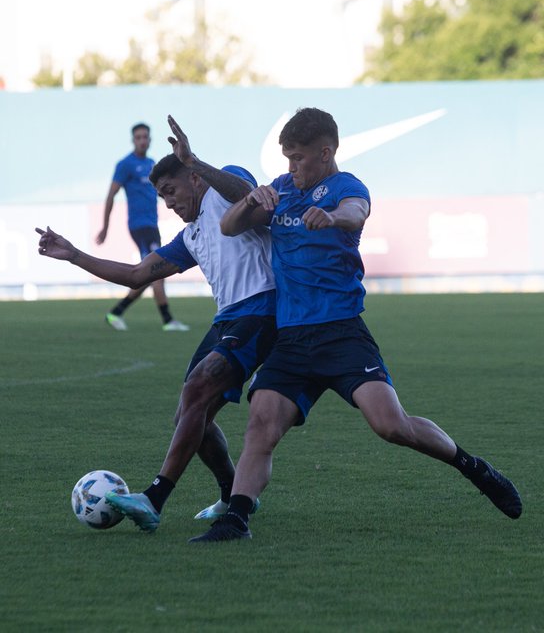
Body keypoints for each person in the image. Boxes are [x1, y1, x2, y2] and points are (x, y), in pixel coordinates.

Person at [188, 107, 522, 543]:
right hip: (291, 339)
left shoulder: (346, 186)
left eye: (299, 158)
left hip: (342, 334)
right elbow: (229, 228)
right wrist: (252, 199)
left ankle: (472, 466)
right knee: (261, 423)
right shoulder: (283, 190)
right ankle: (236, 521)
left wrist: (331, 218)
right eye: (287, 158)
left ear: (325, 153)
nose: (291, 167)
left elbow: (356, 211)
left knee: (391, 426)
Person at [36, 114, 277, 532]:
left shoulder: (223, 187)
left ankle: (154, 498)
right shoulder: (191, 236)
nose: (168, 203)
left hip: (262, 310)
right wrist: (74, 254)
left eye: (171, 191)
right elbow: (136, 275)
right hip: (228, 319)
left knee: (198, 391)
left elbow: (250, 194)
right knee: (191, 412)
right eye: (162, 197)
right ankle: (230, 493)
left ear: (194, 180)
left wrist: (195, 160)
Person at [96, 122, 189, 332]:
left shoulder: (152, 164)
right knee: (157, 268)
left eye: (145, 137)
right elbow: (111, 194)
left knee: (150, 271)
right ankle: (167, 320)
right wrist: (105, 226)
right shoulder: (125, 165)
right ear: (133, 140)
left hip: (152, 224)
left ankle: (116, 312)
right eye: (138, 137)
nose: (142, 141)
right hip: (139, 226)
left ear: (150, 139)